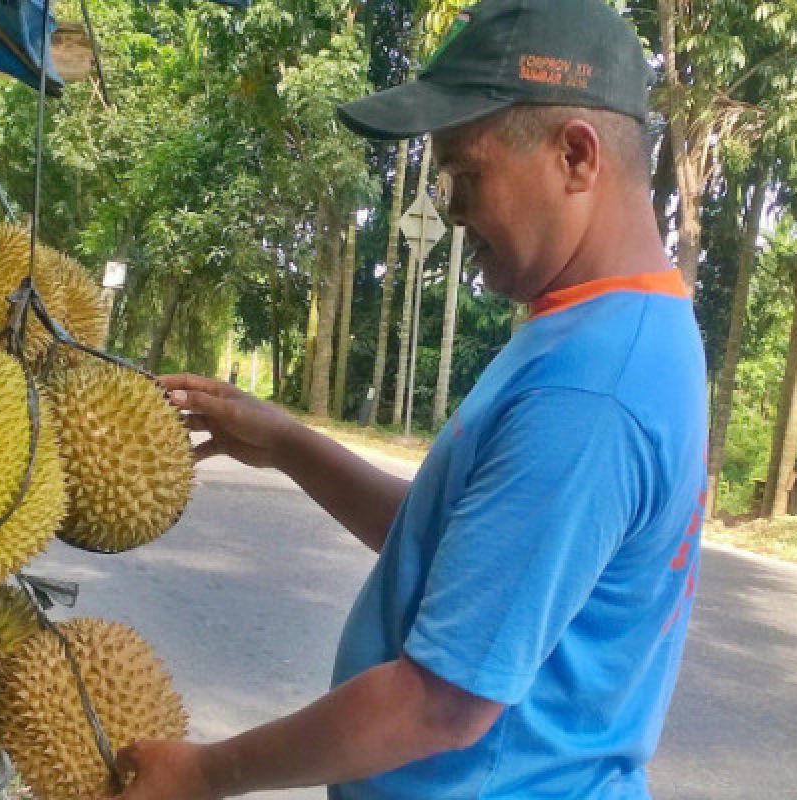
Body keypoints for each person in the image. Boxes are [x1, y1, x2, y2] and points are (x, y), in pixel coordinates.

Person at [115, 1, 707, 797]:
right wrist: (287, 444)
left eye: (467, 175)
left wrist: (206, 772)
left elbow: (438, 705)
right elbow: (462, 554)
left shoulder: (588, 391)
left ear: (576, 156)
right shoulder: (608, 330)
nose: (454, 211)